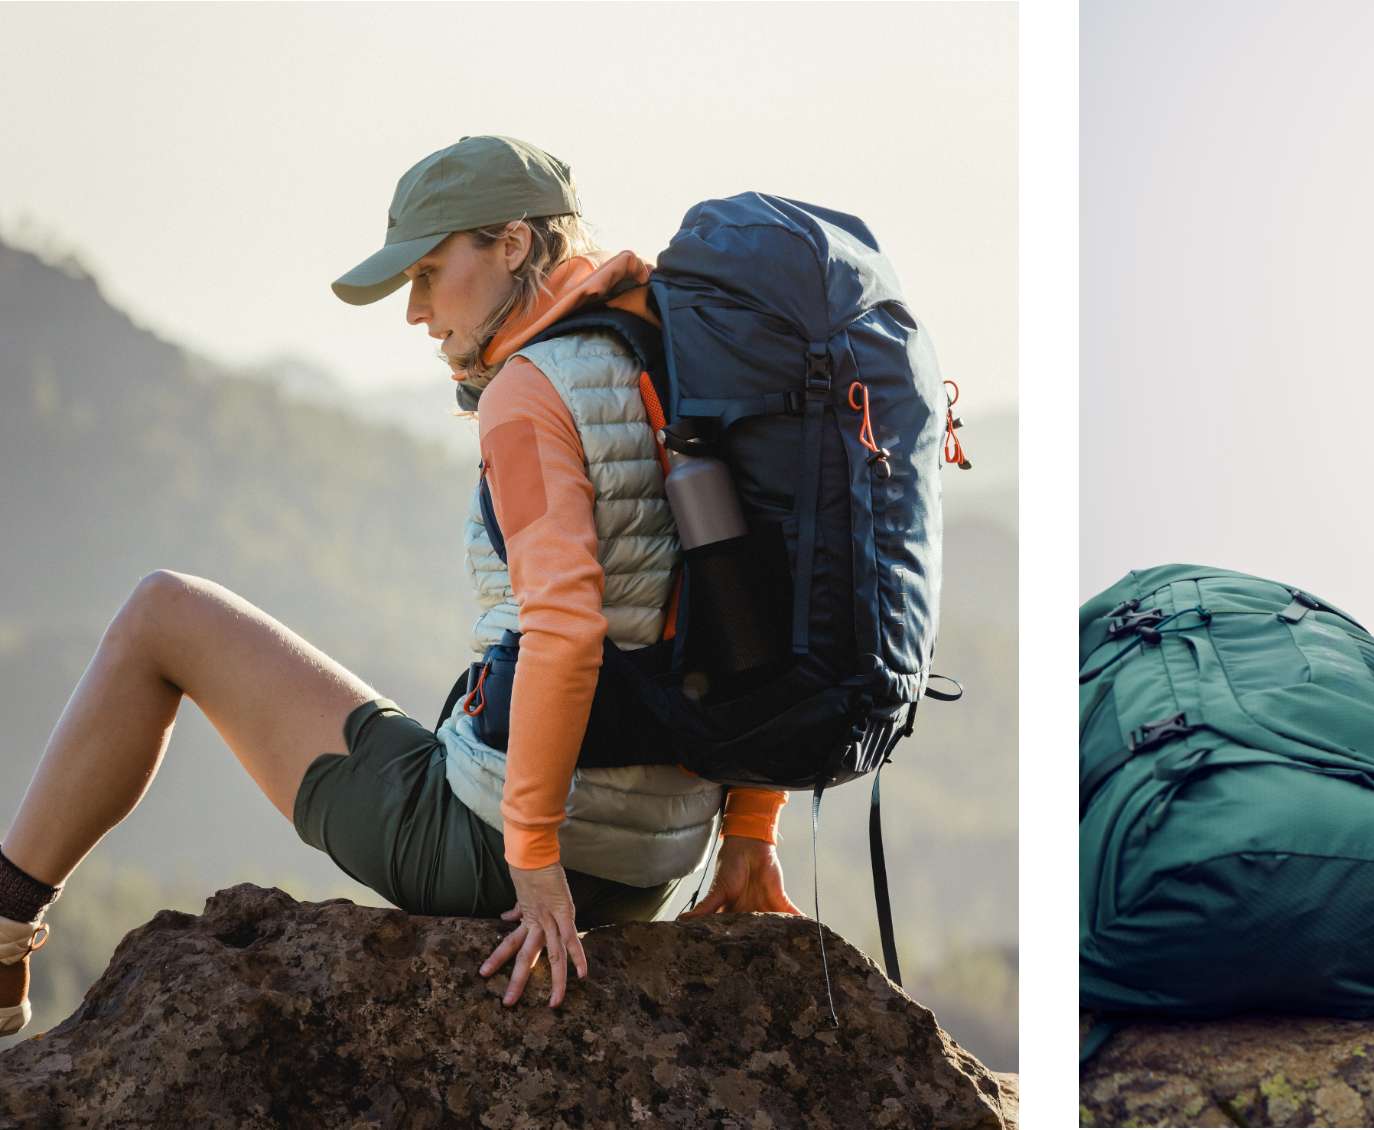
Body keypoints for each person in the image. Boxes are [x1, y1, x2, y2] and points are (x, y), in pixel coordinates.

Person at [0, 136, 797, 1036]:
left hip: (505, 854)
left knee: (162, 612)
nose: (416, 312)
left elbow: (565, 631)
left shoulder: (532, 392)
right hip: (654, 861)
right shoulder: (683, 365)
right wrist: (750, 830)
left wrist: (532, 859)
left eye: (427, 272)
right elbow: (755, 601)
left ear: (514, 245)